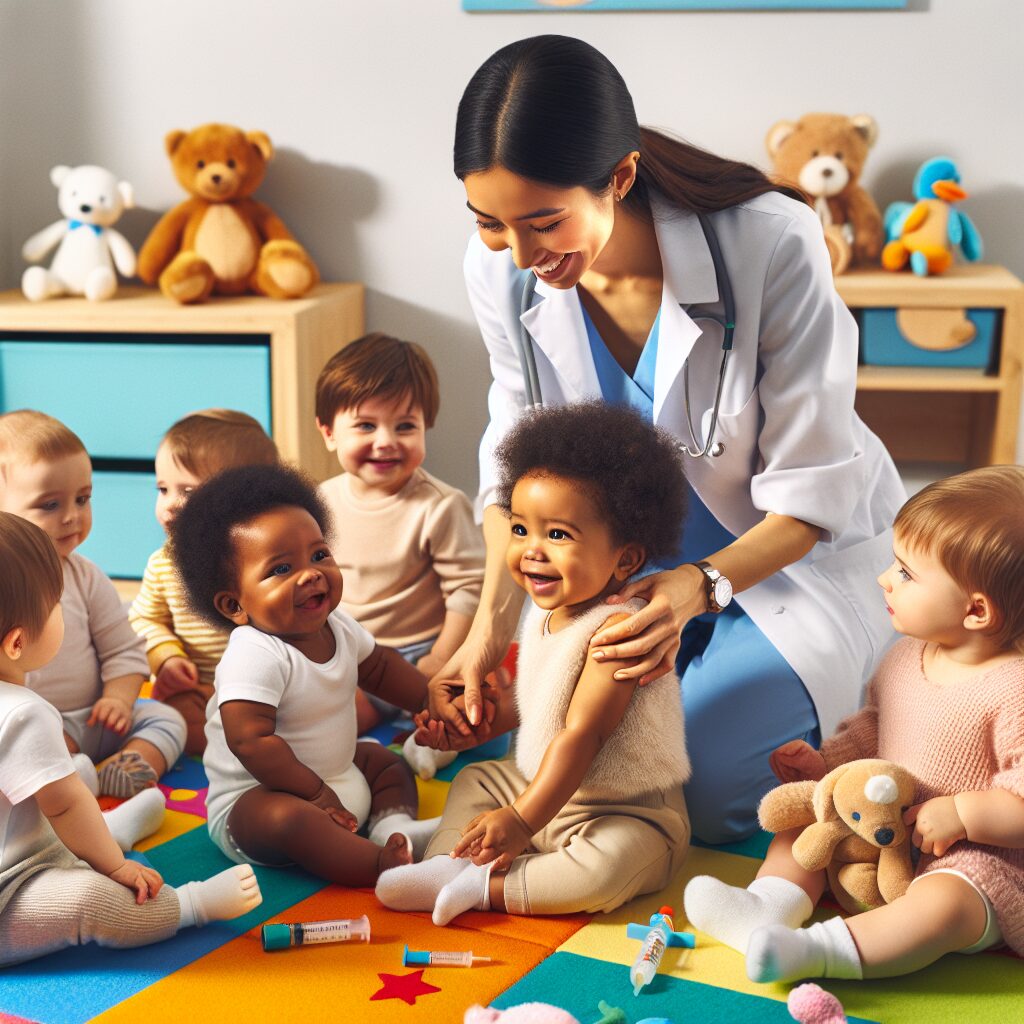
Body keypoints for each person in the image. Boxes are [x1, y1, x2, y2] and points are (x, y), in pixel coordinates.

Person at [433, 34, 906, 843]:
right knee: (575, 765)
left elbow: (811, 492)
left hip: (782, 568)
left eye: (544, 222)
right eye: (489, 224)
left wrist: (697, 589)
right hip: (621, 571)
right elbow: (512, 461)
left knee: (715, 799)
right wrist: (488, 630)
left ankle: (899, 716)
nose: (519, 254)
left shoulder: (771, 242)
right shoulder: (505, 273)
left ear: (618, 176)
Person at [684, 466, 1024, 981]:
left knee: (949, 903)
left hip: (971, 854)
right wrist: (828, 765)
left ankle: (820, 952)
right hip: (878, 830)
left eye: (907, 573)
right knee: (806, 820)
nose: (884, 578)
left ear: (976, 611)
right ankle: (767, 907)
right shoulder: (907, 655)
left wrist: (964, 813)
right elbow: (875, 728)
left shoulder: (1013, 690)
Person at [377, 402, 691, 924]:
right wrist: (477, 723)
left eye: (559, 535)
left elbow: (581, 734)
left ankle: (484, 885)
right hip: (542, 788)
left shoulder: (618, 632)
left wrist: (522, 820)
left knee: (601, 871)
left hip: (625, 809)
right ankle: (444, 863)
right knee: (477, 779)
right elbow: (540, 705)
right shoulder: (548, 613)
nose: (531, 551)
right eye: (521, 530)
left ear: (626, 560)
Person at [0, 511, 262, 966]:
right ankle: (189, 905)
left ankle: (108, 831)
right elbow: (62, 805)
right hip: (10, 893)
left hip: (21, 847)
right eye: (56, 603)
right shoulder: (24, 713)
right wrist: (115, 868)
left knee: (72, 776)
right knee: (87, 897)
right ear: (18, 643)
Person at [171, 463, 440, 885]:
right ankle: (377, 866)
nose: (311, 573)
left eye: (319, 555)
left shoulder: (339, 626)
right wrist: (313, 794)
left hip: (340, 773)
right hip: (262, 799)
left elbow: (381, 668)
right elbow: (251, 741)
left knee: (386, 764)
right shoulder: (254, 653)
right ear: (234, 606)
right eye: (281, 569)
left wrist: (429, 702)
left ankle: (393, 829)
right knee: (289, 819)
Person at [0, 410, 186, 798]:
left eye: (83, 499)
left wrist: (117, 699)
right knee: (24, 754)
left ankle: (132, 765)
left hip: (94, 718)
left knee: (165, 717)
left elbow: (123, 649)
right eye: (50, 505)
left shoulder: (85, 576)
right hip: (28, 729)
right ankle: (71, 781)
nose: (72, 517)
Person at [315, 333, 485, 736]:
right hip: (350, 652)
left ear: (426, 426)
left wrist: (441, 657)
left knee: (468, 712)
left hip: (422, 653)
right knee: (315, 714)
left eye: (405, 425)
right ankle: (382, 720)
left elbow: (468, 591)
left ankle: (421, 730)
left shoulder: (440, 505)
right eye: (366, 426)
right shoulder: (321, 500)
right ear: (329, 433)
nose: (386, 442)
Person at [129, 409, 279, 755]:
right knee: (173, 717)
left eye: (189, 491)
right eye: (163, 489)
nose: (170, 505)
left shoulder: (270, 560)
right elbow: (143, 619)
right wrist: (165, 657)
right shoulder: (165, 563)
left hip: (270, 691)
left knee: (346, 698)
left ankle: (267, 746)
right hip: (201, 688)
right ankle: (242, 752)